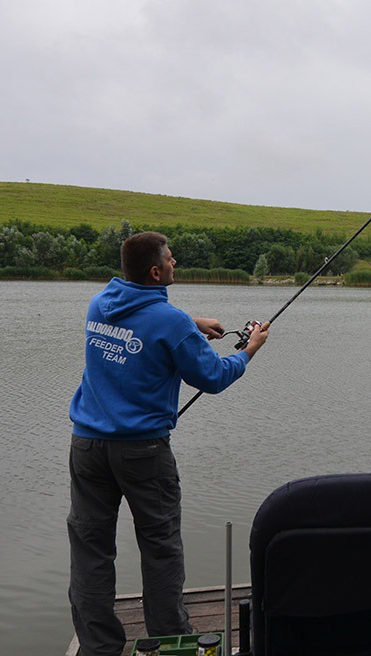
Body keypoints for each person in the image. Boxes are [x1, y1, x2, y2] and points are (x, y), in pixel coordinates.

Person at [67, 231, 270, 655]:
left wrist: (191, 324)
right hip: (142, 453)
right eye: (171, 260)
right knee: (160, 548)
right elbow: (213, 377)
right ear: (156, 271)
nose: (176, 263)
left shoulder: (100, 302)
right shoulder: (169, 322)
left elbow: (145, 317)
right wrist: (249, 350)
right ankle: (169, 640)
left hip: (86, 447)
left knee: (90, 551)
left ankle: (98, 648)